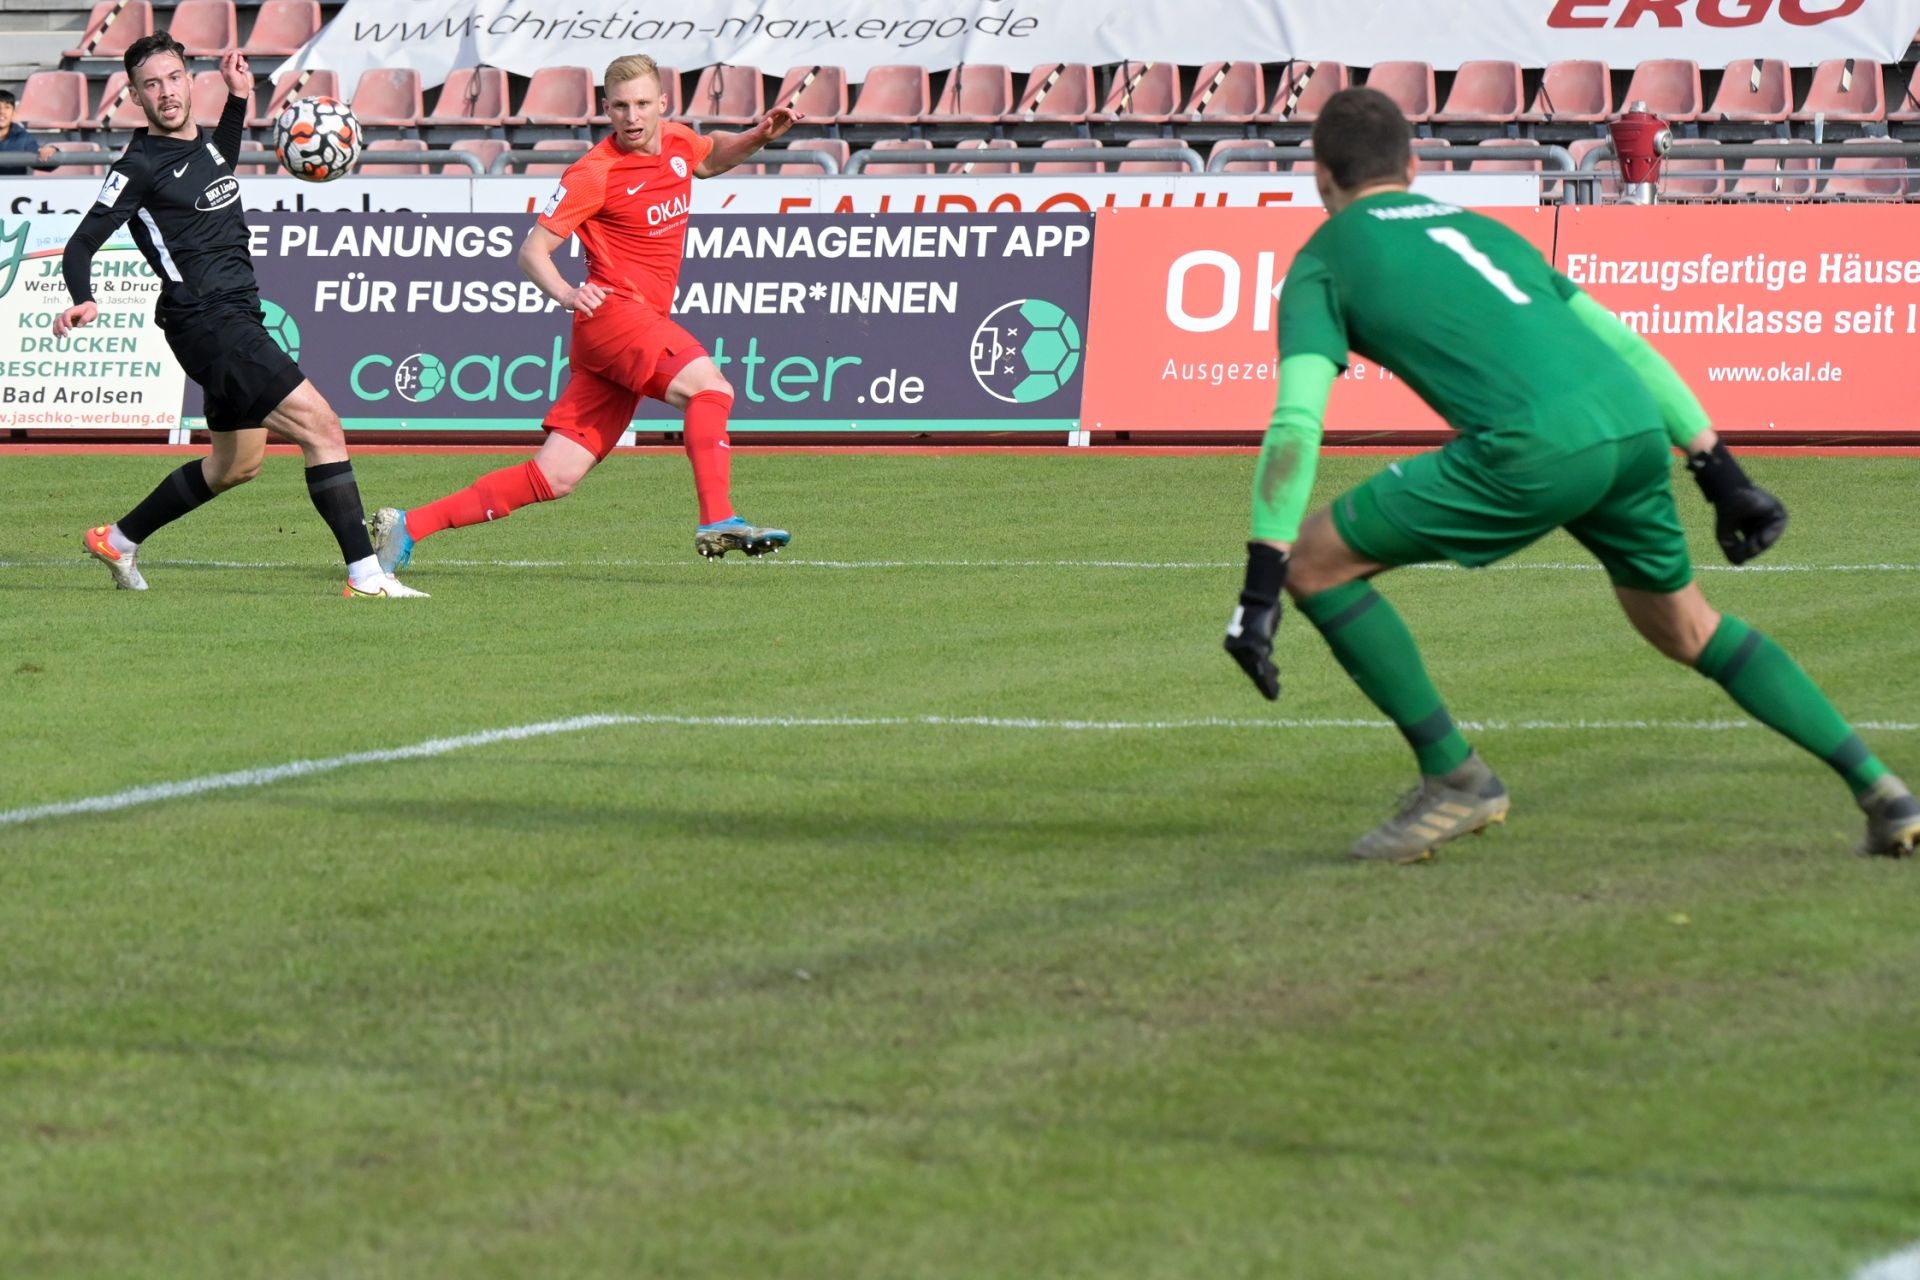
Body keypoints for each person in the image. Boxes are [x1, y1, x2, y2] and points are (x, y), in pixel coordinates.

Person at [1221, 87, 1919, 863]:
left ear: (1321, 178)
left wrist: (1259, 584)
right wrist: (1718, 470)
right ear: (1413, 166)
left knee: (1315, 560)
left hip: (1532, 448)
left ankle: (1455, 779)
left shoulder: (1323, 260)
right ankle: (1881, 788)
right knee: (1688, 627)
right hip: (1627, 427)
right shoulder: (1485, 233)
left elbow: (1296, 423)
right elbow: (1622, 344)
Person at [370, 54, 797, 574]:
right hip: (614, 316)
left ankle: (408, 526)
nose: (632, 116)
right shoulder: (595, 173)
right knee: (711, 390)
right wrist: (568, 293)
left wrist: (759, 135)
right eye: (620, 106)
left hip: (620, 335)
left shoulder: (681, 142)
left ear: (663, 103)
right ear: (605, 109)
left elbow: (709, 160)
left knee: (554, 476)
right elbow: (532, 251)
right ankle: (717, 519)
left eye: (642, 104)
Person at [57, 36, 423, 598]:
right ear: (134, 96)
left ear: (188, 79)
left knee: (235, 465)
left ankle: (120, 540)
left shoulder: (202, 146)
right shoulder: (138, 166)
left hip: (235, 315)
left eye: (174, 77)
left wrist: (237, 99)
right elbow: (81, 244)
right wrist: (81, 296)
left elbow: (219, 163)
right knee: (322, 428)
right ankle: (366, 575)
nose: (166, 91)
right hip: (207, 322)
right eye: (151, 84)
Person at [0, 87, 60, 167]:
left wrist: (52, 151)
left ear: (13, 113)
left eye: (7, 107)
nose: (2, 111)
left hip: (14, 180)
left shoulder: (23, 138)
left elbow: (46, 164)